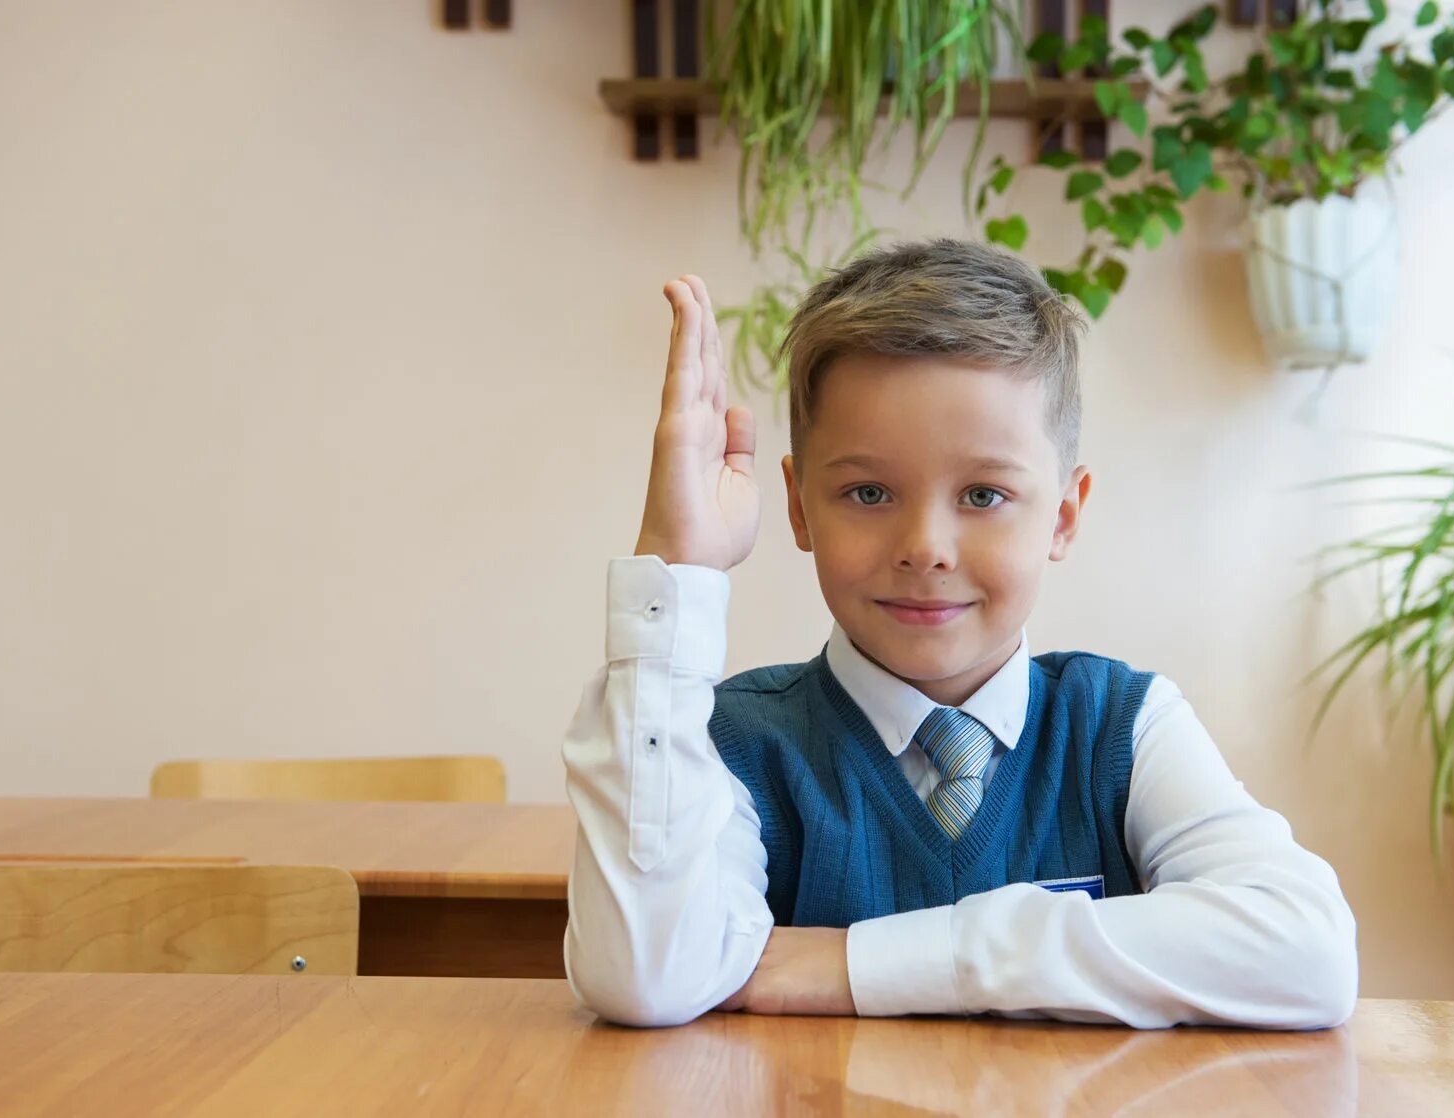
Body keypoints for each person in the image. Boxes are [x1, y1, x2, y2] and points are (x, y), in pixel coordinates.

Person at [561, 238, 1358, 1029]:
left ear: (1063, 515)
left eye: (982, 495)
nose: (926, 547)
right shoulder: (731, 741)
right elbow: (649, 978)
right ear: (800, 507)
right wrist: (679, 575)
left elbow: (1306, 950)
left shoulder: (1123, 724)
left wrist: (860, 965)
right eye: (868, 491)